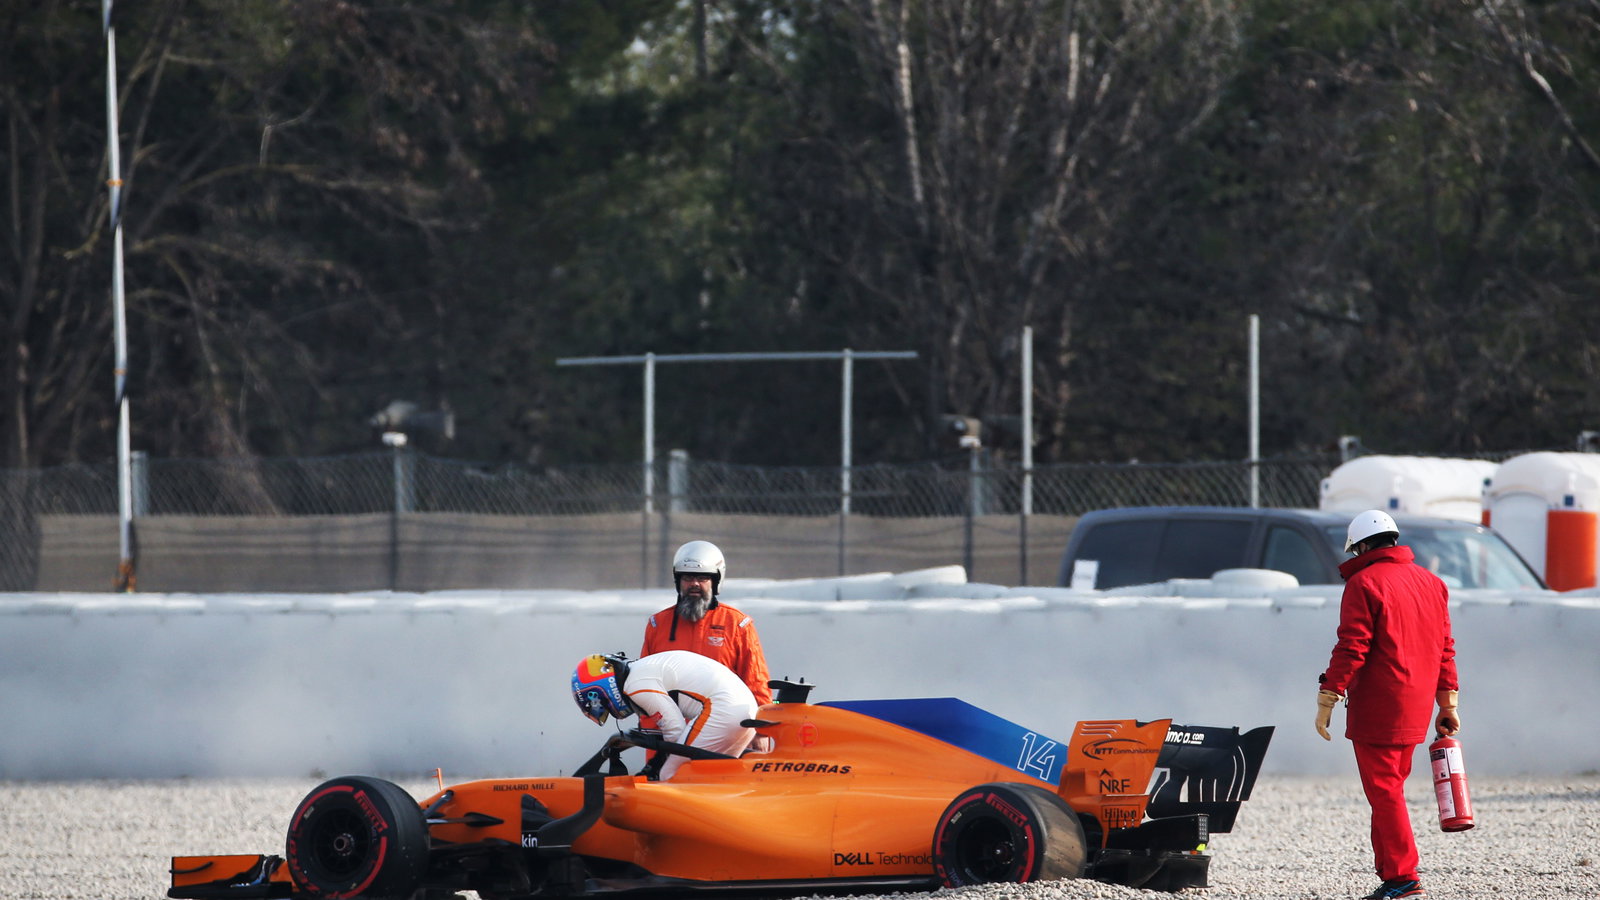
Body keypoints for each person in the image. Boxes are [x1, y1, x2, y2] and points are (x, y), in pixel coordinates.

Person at [1316, 509, 1461, 900]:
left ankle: (1403, 878)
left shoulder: (1363, 583)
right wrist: (1447, 702)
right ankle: (1392, 876)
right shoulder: (1432, 583)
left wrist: (1329, 694)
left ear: (1360, 547)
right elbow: (1445, 648)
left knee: (1384, 791)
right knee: (1390, 788)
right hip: (1417, 705)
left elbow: (1352, 646)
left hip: (1380, 705)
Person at [571, 650, 757, 780]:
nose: (605, 709)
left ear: (604, 687)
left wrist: (660, 766)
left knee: (672, 774)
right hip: (744, 709)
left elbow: (674, 728)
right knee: (718, 779)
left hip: (725, 708)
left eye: (598, 702)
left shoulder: (635, 685)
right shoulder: (642, 669)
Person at [642, 540, 773, 706]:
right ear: (678, 581)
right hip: (669, 727)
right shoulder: (658, 624)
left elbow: (756, 683)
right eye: (688, 577)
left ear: (715, 581)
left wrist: (760, 728)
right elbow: (645, 685)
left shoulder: (738, 625)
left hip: (723, 726)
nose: (694, 584)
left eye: (703, 577)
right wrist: (650, 729)